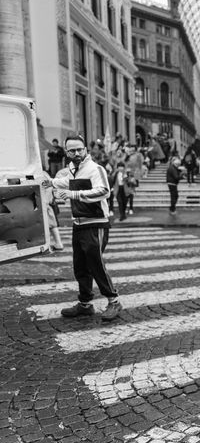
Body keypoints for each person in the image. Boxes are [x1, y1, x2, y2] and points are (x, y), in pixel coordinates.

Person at [41, 134, 122, 321]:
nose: (77, 153)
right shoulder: (71, 169)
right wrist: (51, 182)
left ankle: (114, 301)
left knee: (96, 265)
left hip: (96, 223)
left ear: (85, 149)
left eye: (80, 149)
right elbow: (68, 182)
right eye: (72, 150)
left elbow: (104, 191)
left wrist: (73, 194)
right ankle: (85, 304)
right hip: (79, 223)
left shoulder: (95, 168)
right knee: (80, 266)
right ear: (67, 151)